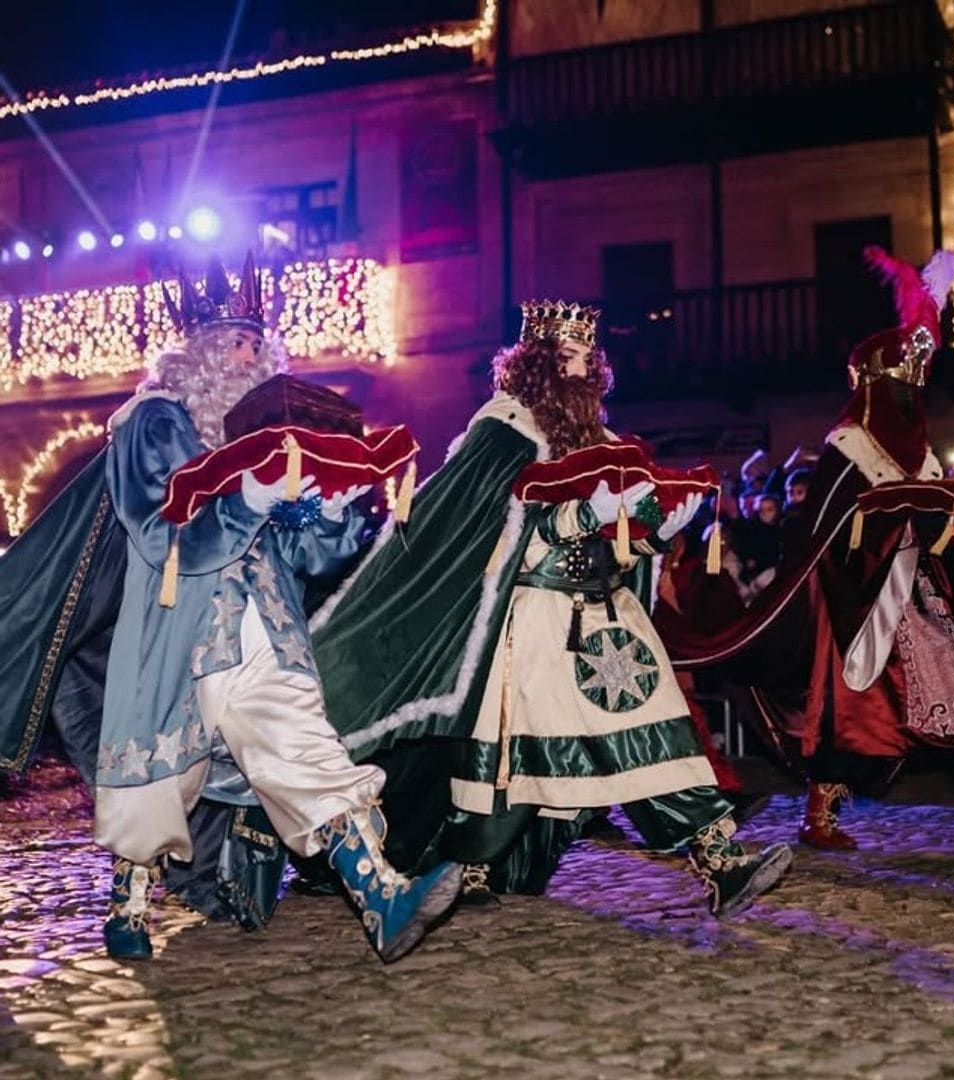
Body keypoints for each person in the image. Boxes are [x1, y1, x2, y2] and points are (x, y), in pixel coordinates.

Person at [0, 256, 460, 964]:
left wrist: (329, 512)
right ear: (199, 350)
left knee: (305, 749)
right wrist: (248, 499)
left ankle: (383, 898)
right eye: (233, 341)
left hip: (265, 631)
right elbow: (159, 530)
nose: (247, 355)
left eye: (255, 343)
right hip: (174, 631)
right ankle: (129, 901)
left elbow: (305, 559)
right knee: (159, 776)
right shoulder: (153, 422)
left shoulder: (267, 437)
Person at [312, 300, 791, 912]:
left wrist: (659, 523)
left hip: (612, 616)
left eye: (589, 357)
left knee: (659, 730)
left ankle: (720, 861)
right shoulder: (504, 428)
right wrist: (578, 516)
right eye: (569, 355)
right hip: (536, 617)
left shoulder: (606, 440)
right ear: (537, 362)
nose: (583, 368)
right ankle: (473, 866)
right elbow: (484, 529)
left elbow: (631, 530)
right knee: (523, 752)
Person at [657, 248, 954, 849]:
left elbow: (935, 525)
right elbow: (828, 534)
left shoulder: (920, 456)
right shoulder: (848, 446)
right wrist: (897, 522)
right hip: (858, 612)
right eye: (904, 384)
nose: (913, 398)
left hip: (917, 602)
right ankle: (819, 816)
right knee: (857, 718)